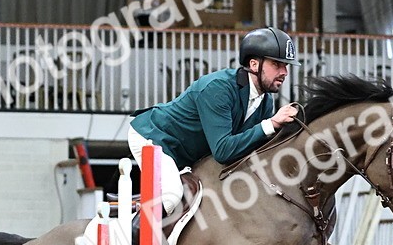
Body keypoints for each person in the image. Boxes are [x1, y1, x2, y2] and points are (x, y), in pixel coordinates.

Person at [127, 26, 302, 221]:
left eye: (286, 66)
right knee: (172, 195)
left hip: (186, 152)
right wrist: (270, 125)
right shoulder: (218, 89)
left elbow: (251, 151)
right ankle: (131, 241)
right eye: (277, 64)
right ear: (254, 64)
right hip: (155, 138)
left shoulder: (265, 102)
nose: (285, 72)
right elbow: (223, 151)